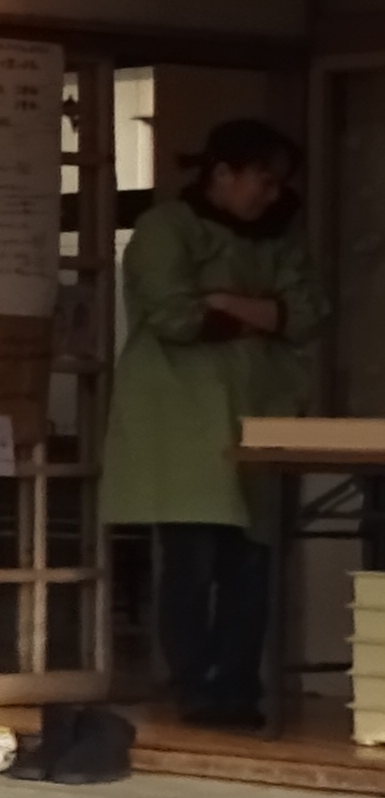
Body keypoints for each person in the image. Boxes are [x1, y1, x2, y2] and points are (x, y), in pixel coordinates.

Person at [106, 115, 321, 732]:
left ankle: (237, 686)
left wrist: (227, 302)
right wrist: (264, 314)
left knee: (251, 561)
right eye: (264, 179)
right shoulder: (164, 228)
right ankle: (194, 686)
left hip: (258, 417)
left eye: (279, 183)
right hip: (181, 422)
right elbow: (173, 314)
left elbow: (308, 311)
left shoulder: (281, 238)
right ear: (221, 173)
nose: (272, 194)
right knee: (191, 561)